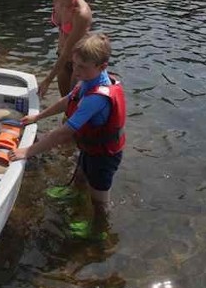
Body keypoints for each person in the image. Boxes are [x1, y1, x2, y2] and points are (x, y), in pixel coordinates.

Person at [10, 33, 125, 237]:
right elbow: (67, 101)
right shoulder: (87, 80)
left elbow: (64, 133)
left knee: (100, 199)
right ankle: (74, 195)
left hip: (104, 156)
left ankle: (99, 230)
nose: (76, 71)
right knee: (80, 176)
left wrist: (28, 151)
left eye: (83, 67)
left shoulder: (97, 98)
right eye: (75, 65)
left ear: (102, 66)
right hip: (89, 147)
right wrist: (38, 117)